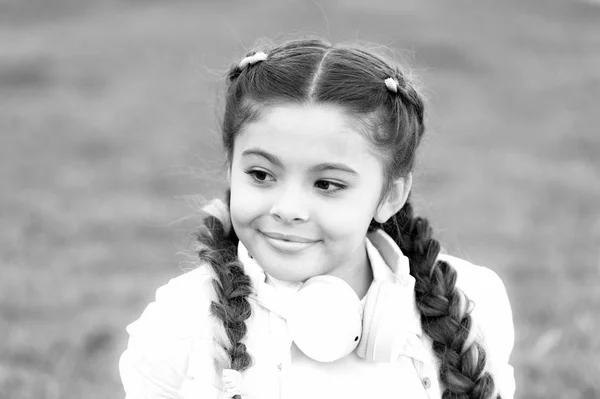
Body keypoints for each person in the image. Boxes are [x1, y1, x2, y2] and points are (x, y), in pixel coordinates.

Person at [119, 37, 515, 399]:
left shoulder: (474, 305)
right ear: (230, 170)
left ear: (391, 195)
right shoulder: (180, 323)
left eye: (327, 184)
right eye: (261, 175)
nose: (288, 209)